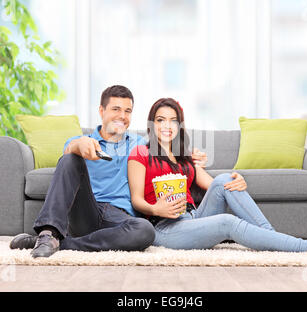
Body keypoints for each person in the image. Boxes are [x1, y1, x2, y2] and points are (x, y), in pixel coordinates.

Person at [9, 86, 207, 258]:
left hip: (120, 218)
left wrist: (192, 157)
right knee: (69, 159)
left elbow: (169, 153)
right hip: (87, 210)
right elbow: (70, 151)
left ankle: (60, 243)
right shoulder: (83, 141)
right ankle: (48, 232)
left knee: (145, 230)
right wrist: (79, 144)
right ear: (101, 111)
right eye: (116, 109)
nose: (122, 116)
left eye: (127, 111)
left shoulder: (139, 144)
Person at [127, 98, 307, 253]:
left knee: (226, 179)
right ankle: (306, 247)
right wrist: (156, 209)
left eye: (173, 120)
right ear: (152, 124)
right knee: (227, 222)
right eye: (161, 120)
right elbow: (137, 200)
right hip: (165, 227)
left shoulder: (184, 157)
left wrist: (236, 183)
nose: (167, 125)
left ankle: (272, 239)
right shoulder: (140, 152)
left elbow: (217, 186)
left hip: (193, 217)